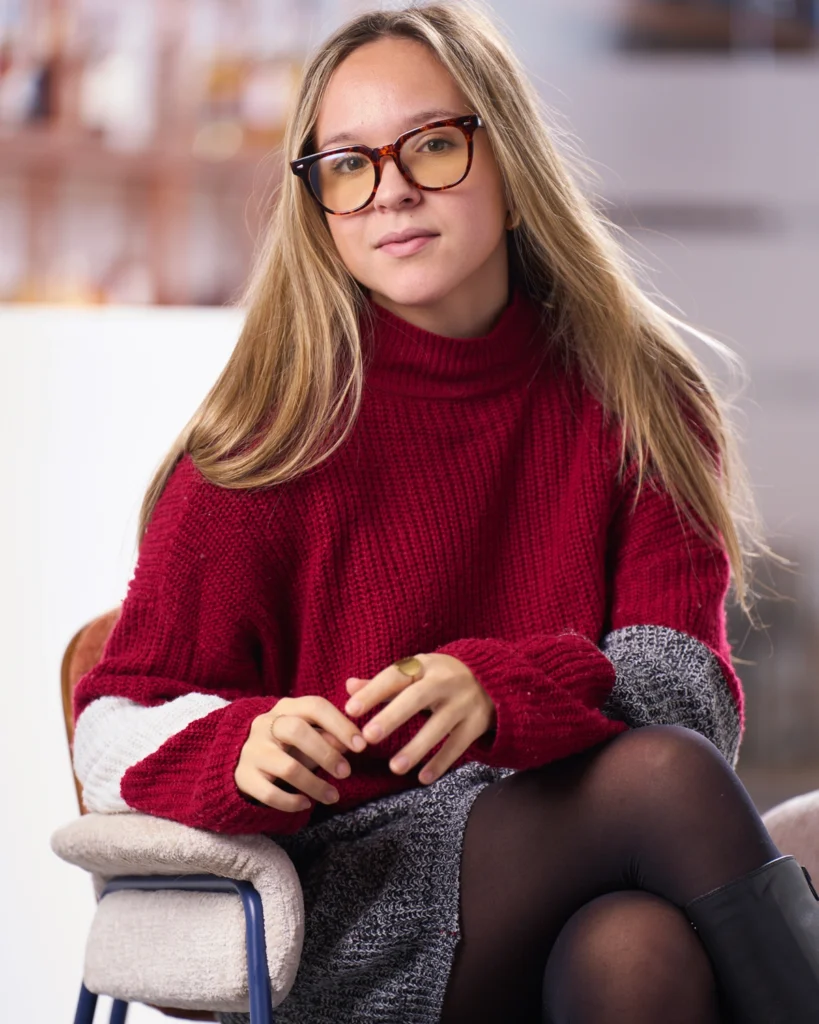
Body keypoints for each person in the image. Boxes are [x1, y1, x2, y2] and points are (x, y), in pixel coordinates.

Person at [71, 2, 819, 1022]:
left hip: (587, 878)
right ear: (320, 206)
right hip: (359, 902)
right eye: (348, 164)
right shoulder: (266, 442)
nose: (393, 192)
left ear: (509, 166)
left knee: (638, 951)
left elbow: (692, 697)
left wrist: (506, 690)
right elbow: (114, 716)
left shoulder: (640, 399)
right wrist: (236, 743)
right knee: (660, 783)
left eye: (433, 145)